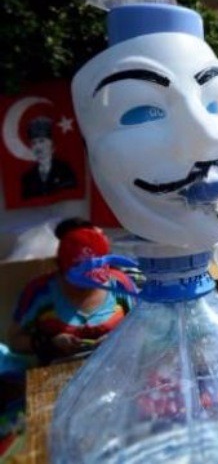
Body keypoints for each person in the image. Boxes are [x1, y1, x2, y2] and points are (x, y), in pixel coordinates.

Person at [7, 218, 136, 364]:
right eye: (78, 279)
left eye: (94, 278)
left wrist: (116, 339)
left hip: (114, 369)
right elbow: (14, 340)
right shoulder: (39, 292)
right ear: (60, 266)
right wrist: (50, 343)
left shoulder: (120, 284)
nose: (86, 285)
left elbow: (143, 329)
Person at [21, 116, 77, 199]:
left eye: (41, 141)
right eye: (34, 143)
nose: (38, 147)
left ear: (52, 144)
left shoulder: (64, 170)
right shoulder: (28, 177)